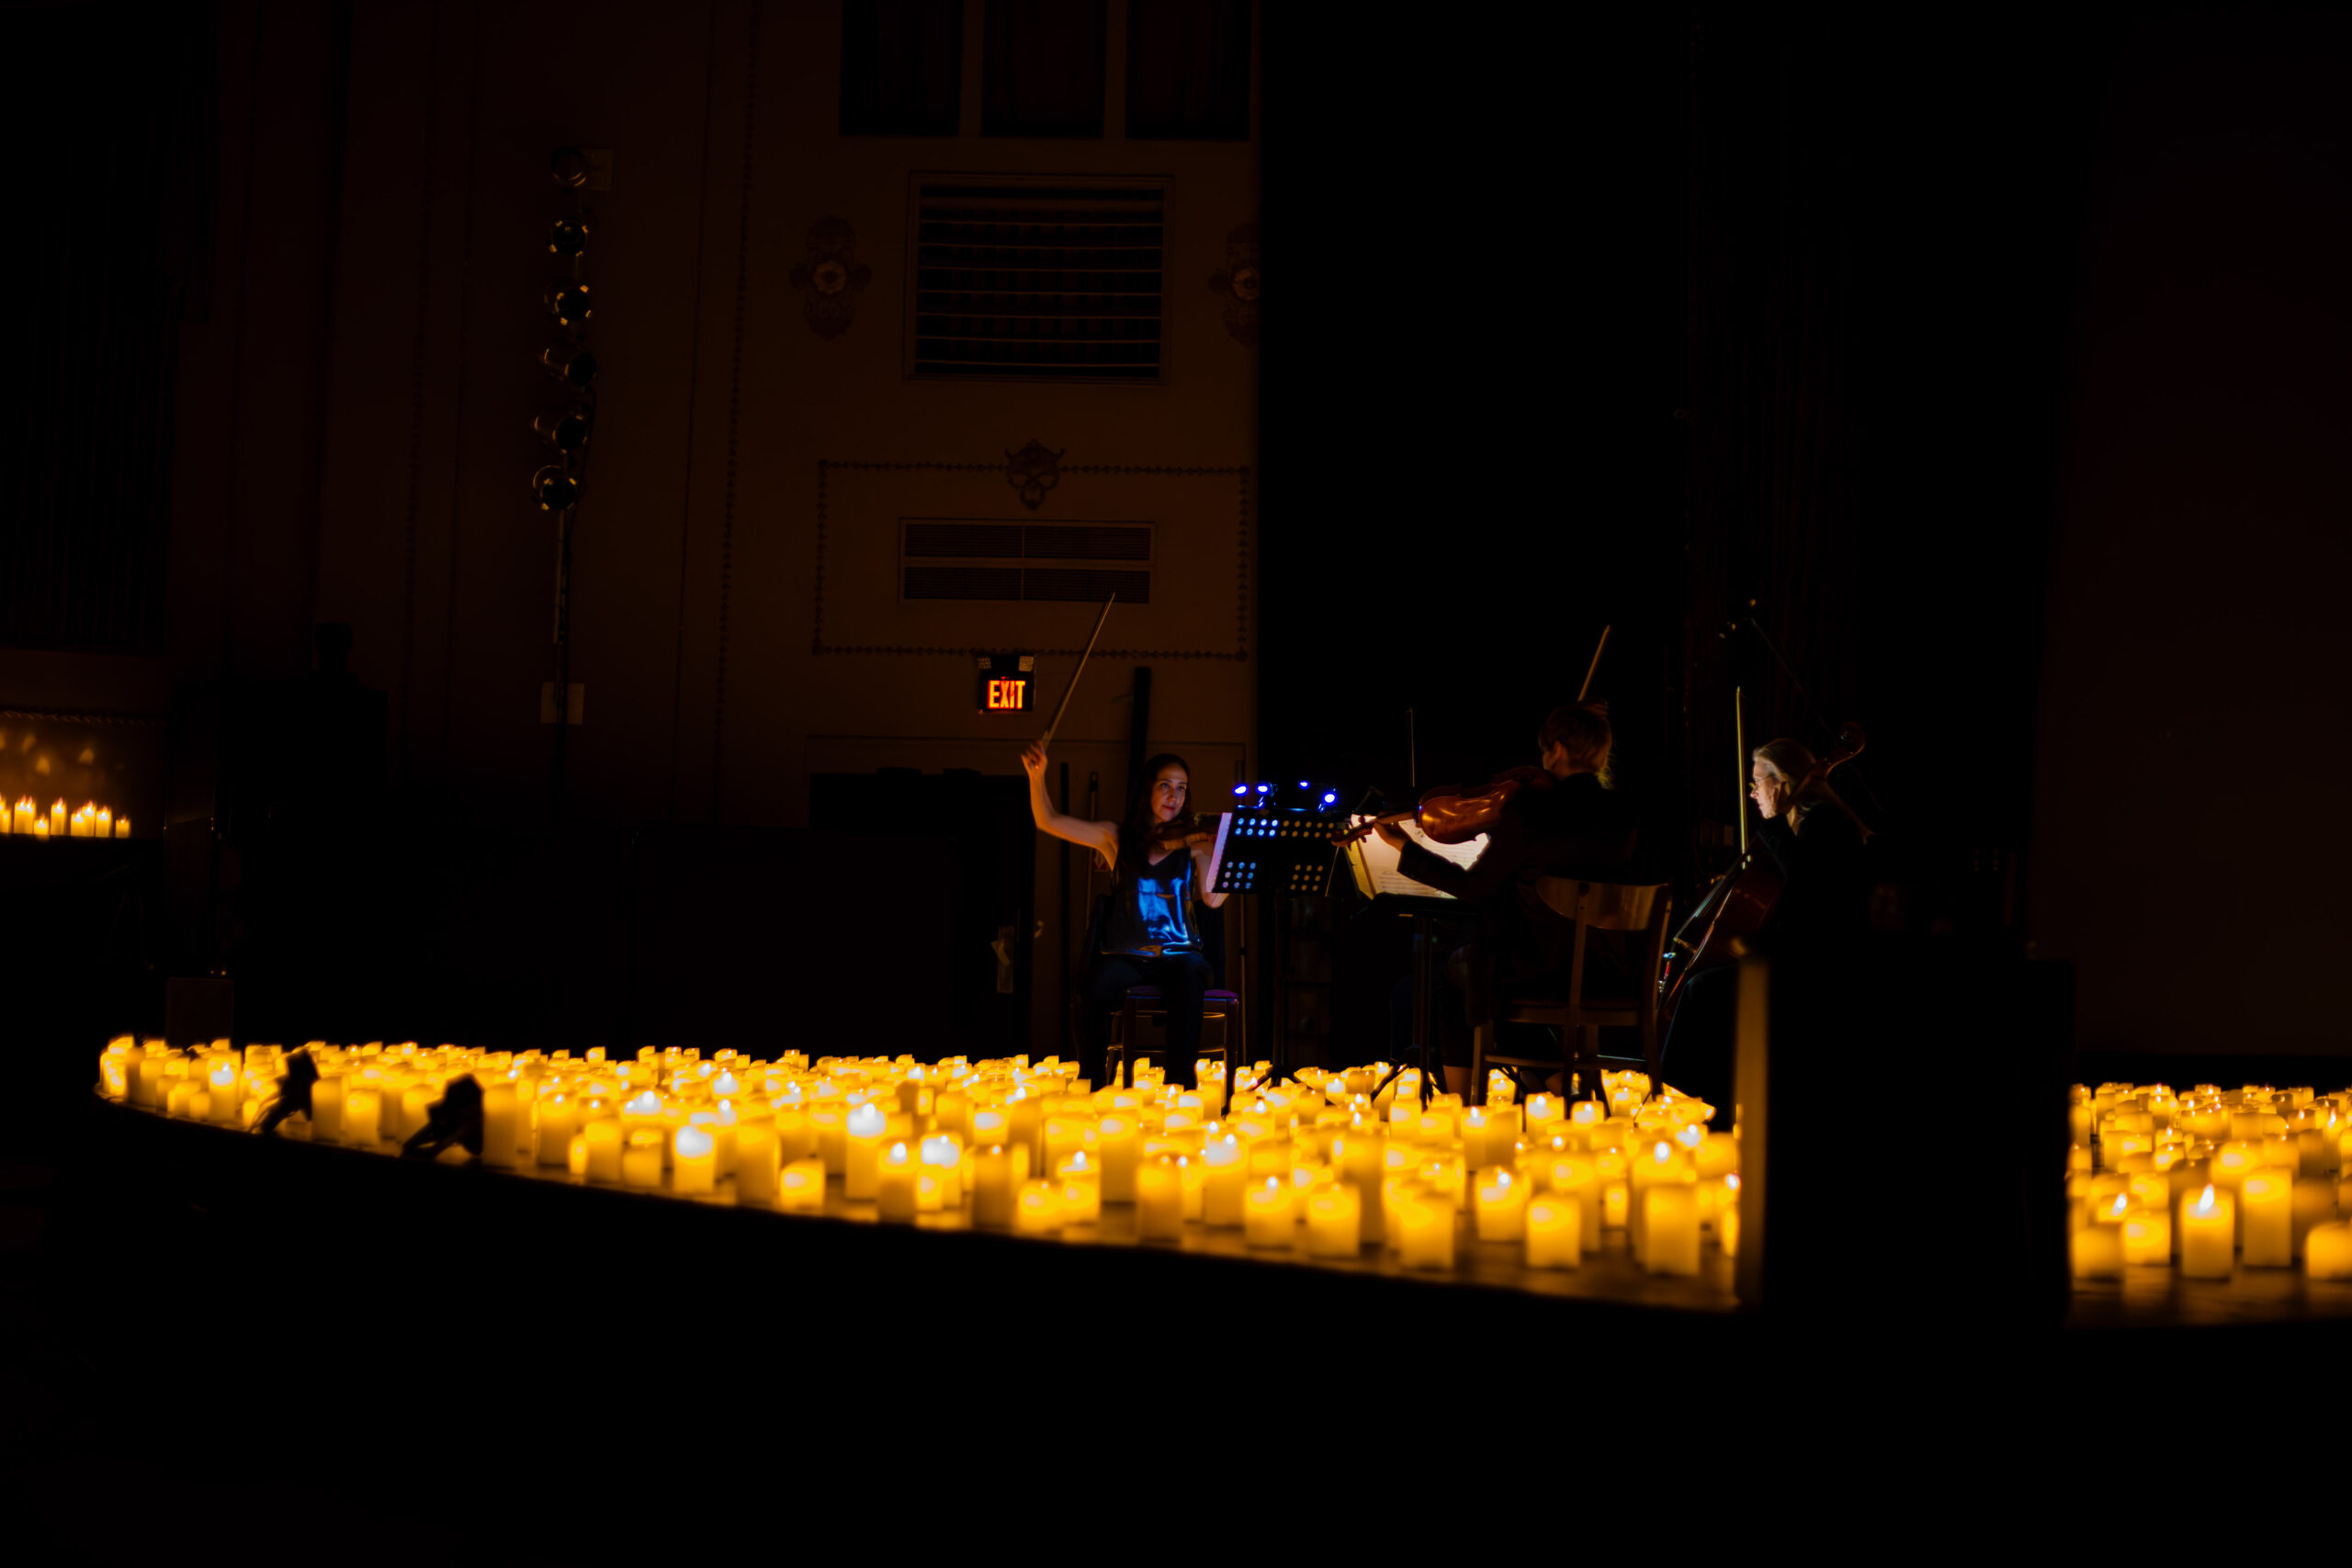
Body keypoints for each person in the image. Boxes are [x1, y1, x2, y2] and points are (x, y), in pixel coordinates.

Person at [1377, 702, 1638, 1095]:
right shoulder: (1625, 813)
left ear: (1559, 750)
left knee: (1460, 979)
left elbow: (1477, 890)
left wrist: (1406, 851)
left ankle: (1463, 1104)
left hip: (1542, 969)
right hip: (1611, 972)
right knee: (1487, 981)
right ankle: (1556, 1081)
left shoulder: (1531, 810)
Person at [1659, 736, 1871, 1122]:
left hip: (1817, 972)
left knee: (1700, 992)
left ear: (1783, 782)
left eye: (1759, 781)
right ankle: (1707, 1105)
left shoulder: (1826, 823)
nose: (1753, 791)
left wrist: (1774, 824)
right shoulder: (1809, 823)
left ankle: (1681, 1106)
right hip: (1797, 962)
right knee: (1708, 990)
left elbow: (1807, 887)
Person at [1022, 741, 1227, 1090]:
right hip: (1127, 956)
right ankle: (1093, 1080)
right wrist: (1037, 776)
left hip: (1180, 954)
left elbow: (1213, 900)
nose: (1173, 796)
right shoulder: (1114, 837)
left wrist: (1224, 853)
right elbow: (1048, 821)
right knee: (1094, 985)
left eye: (1181, 789)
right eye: (1165, 785)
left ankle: (1179, 1081)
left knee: (1191, 974)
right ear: (1148, 789)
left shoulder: (1195, 844)